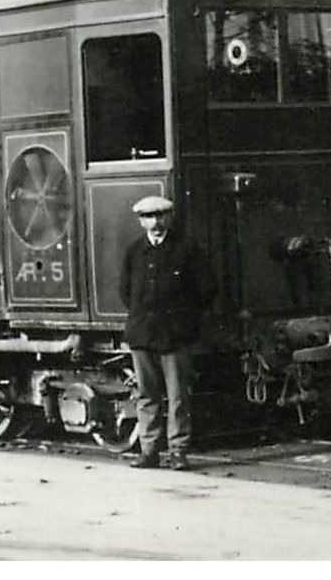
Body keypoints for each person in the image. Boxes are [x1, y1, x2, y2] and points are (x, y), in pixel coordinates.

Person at [120, 194, 209, 470]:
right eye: (149, 217)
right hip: (143, 334)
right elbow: (125, 292)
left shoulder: (187, 250)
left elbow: (205, 289)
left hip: (175, 335)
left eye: (160, 216)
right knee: (147, 395)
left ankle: (178, 452)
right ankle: (149, 452)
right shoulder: (135, 251)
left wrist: (183, 321)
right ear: (141, 221)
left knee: (179, 395)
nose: (155, 222)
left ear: (169, 218)